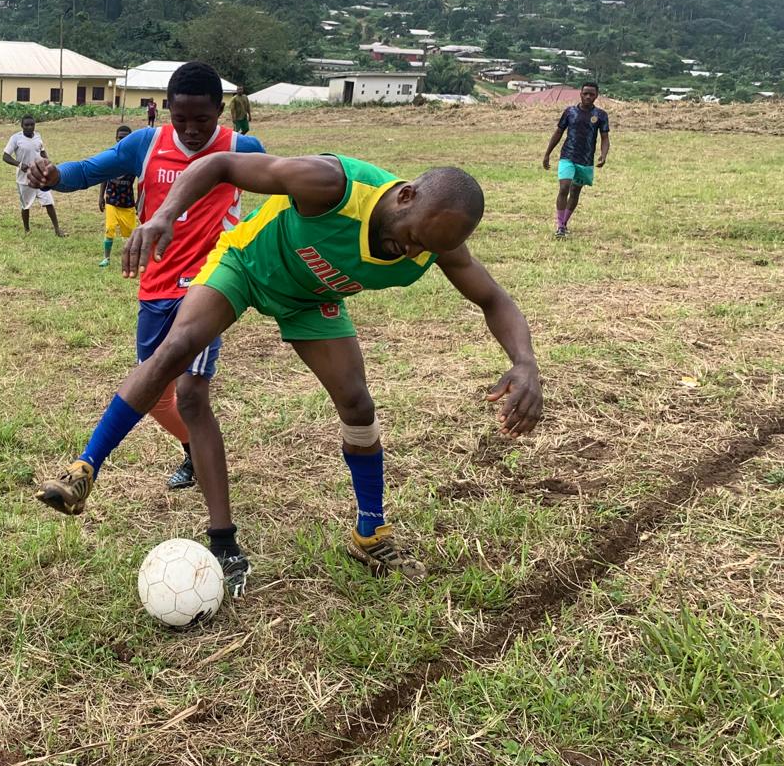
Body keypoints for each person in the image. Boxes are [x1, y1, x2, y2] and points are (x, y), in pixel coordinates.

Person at [33, 151, 543, 588]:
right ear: (405, 196)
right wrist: (166, 213)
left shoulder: (437, 240)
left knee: (357, 404)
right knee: (177, 349)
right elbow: (220, 164)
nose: (412, 253)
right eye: (412, 237)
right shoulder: (331, 185)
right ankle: (84, 469)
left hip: (312, 298)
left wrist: (524, 362)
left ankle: (371, 533)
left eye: (426, 249)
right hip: (248, 267)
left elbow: (493, 298)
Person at [27, 61, 265, 595]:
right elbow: (91, 169)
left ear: (219, 112)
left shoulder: (240, 149)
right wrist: (55, 174)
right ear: (166, 109)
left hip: (209, 285)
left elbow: (285, 183)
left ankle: (221, 538)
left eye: (202, 119)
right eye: (182, 118)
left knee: (193, 394)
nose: (192, 129)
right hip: (156, 287)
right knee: (156, 393)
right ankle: (193, 453)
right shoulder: (147, 143)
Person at [542, 81, 610, 237]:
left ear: (596, 96)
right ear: (580, 93)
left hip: (585, 160)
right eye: (585, 93)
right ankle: (560, 226)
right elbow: (558, 133)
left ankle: (564, 223)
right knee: (564, 187)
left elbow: (605, 138)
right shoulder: (569, 112)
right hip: (567, 156)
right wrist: (547, 153)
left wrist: (603, 155)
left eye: (591, 94)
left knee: (575, 191)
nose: (588, 96)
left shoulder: (600, 115)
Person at [2, 114, 65, 236]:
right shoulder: (16, 138)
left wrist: (47, 160)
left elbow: (41, 150)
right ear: (22, 126)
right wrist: (20, 165)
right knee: (26, 205)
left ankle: (57, 229)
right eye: (27, 125)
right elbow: (5, 156)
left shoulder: (38, 136)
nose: (30, 127)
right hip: (24, 179)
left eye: (32, 125)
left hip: (41, 176)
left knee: (49, 202)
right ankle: (27, 230)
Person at [99, 125, 137, 268]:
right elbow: (104, 176)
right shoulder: (111, 156)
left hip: (127, 201)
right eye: (120, 137)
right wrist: (101, 197)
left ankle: (131, 259)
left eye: (126, 138)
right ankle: (106, 258)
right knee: (109, 228)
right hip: (111, 199)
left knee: (130, 233)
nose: (123, 140)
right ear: (116, 138)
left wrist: (140, 200)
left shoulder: (135, 159)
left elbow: (142, 179)